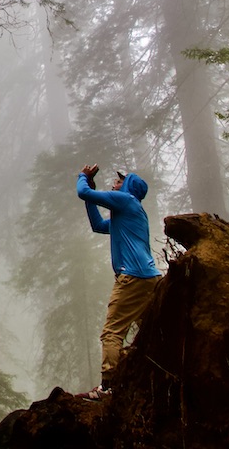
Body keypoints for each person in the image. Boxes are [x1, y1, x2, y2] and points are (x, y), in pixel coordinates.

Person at [75, 164, 162, 399]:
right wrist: (90, 198)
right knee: (148, 331)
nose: (115, 182)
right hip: (149, 279)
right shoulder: (130, 211)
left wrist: (83, 178)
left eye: (120, 180)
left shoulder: (126, 200)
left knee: (112, 333)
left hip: (133, 278)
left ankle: (108, 387)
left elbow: (83, 192)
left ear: (129, 186)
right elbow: (99, 226)